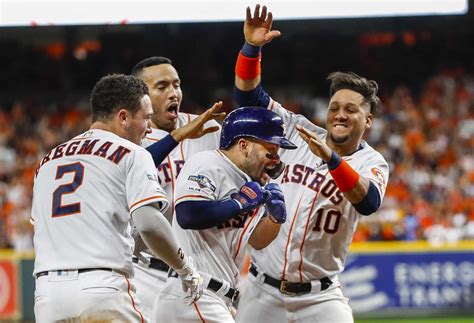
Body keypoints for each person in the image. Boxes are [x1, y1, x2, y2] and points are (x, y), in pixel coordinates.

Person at [233, 5, 390, 322]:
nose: (340, 114)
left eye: (351, 109)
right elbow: (247, 97)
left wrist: (331, 159)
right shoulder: (297, 130)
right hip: (262, 292)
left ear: (368, 119)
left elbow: (368, 202)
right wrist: (252, 49)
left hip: (320, 298)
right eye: (335, 107)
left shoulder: (371, 161)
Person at [32, 74, 204, 322]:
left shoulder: (47, 161)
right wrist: (186, 269)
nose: (148, 127)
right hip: (103, 289)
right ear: (123, 117)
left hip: (48, 295)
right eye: (146, 118)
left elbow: (45, 226)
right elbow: (148, 223)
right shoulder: (133, 153)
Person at [153, 107, 297, 322]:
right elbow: (188, 215)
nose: (276, 160)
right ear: (243, 145)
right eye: (270, 151)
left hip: (212, 296)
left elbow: (257, 240)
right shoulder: (208, 163)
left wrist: (274, 219)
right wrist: (239, 203)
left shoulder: (250, 182)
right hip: (196, 292)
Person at [130, 56, 225, 317]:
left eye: (176, 84)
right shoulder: (128, 138)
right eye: (162, 87)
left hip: (198, 272)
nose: (173, 93)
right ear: (141, 96)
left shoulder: (209, 128)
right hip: (145, 271)